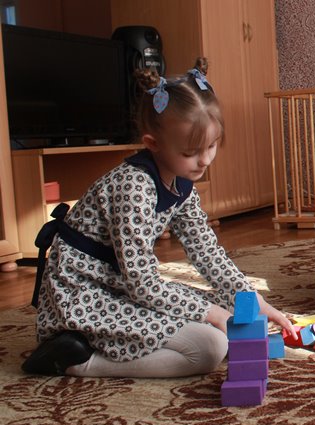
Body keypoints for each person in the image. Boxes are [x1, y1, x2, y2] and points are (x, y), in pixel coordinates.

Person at [22, 58, 296, 378]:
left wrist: (250, 298)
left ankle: (104, 345)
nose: (204, 160)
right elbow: (143, 285)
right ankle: (76, 360)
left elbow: (205, 250)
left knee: (228, 311)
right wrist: (211, 314)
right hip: (83, 292)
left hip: (121, 284)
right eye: (190, 152)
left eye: (212, 146)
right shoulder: (134, 188)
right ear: (153, 144)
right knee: (210, 347)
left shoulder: (182, 182)